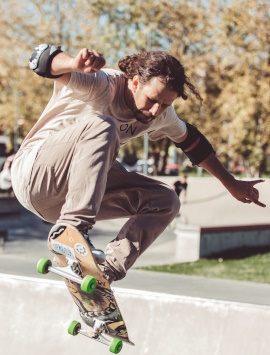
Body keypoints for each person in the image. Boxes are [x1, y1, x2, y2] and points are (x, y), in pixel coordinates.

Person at [11, 44, 265, 283]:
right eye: (153, 100)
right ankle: (73, 229)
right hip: (35, 173)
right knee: (105, 127)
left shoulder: (162, 114)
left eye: (166, 104)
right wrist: (73, 63)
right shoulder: (103, 83)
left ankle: (104, 272)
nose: (157, 111)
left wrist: (231, 183)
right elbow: (41, 59)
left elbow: (193, 143)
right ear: (134, 83)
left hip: (63, 200)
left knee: (165, 200)